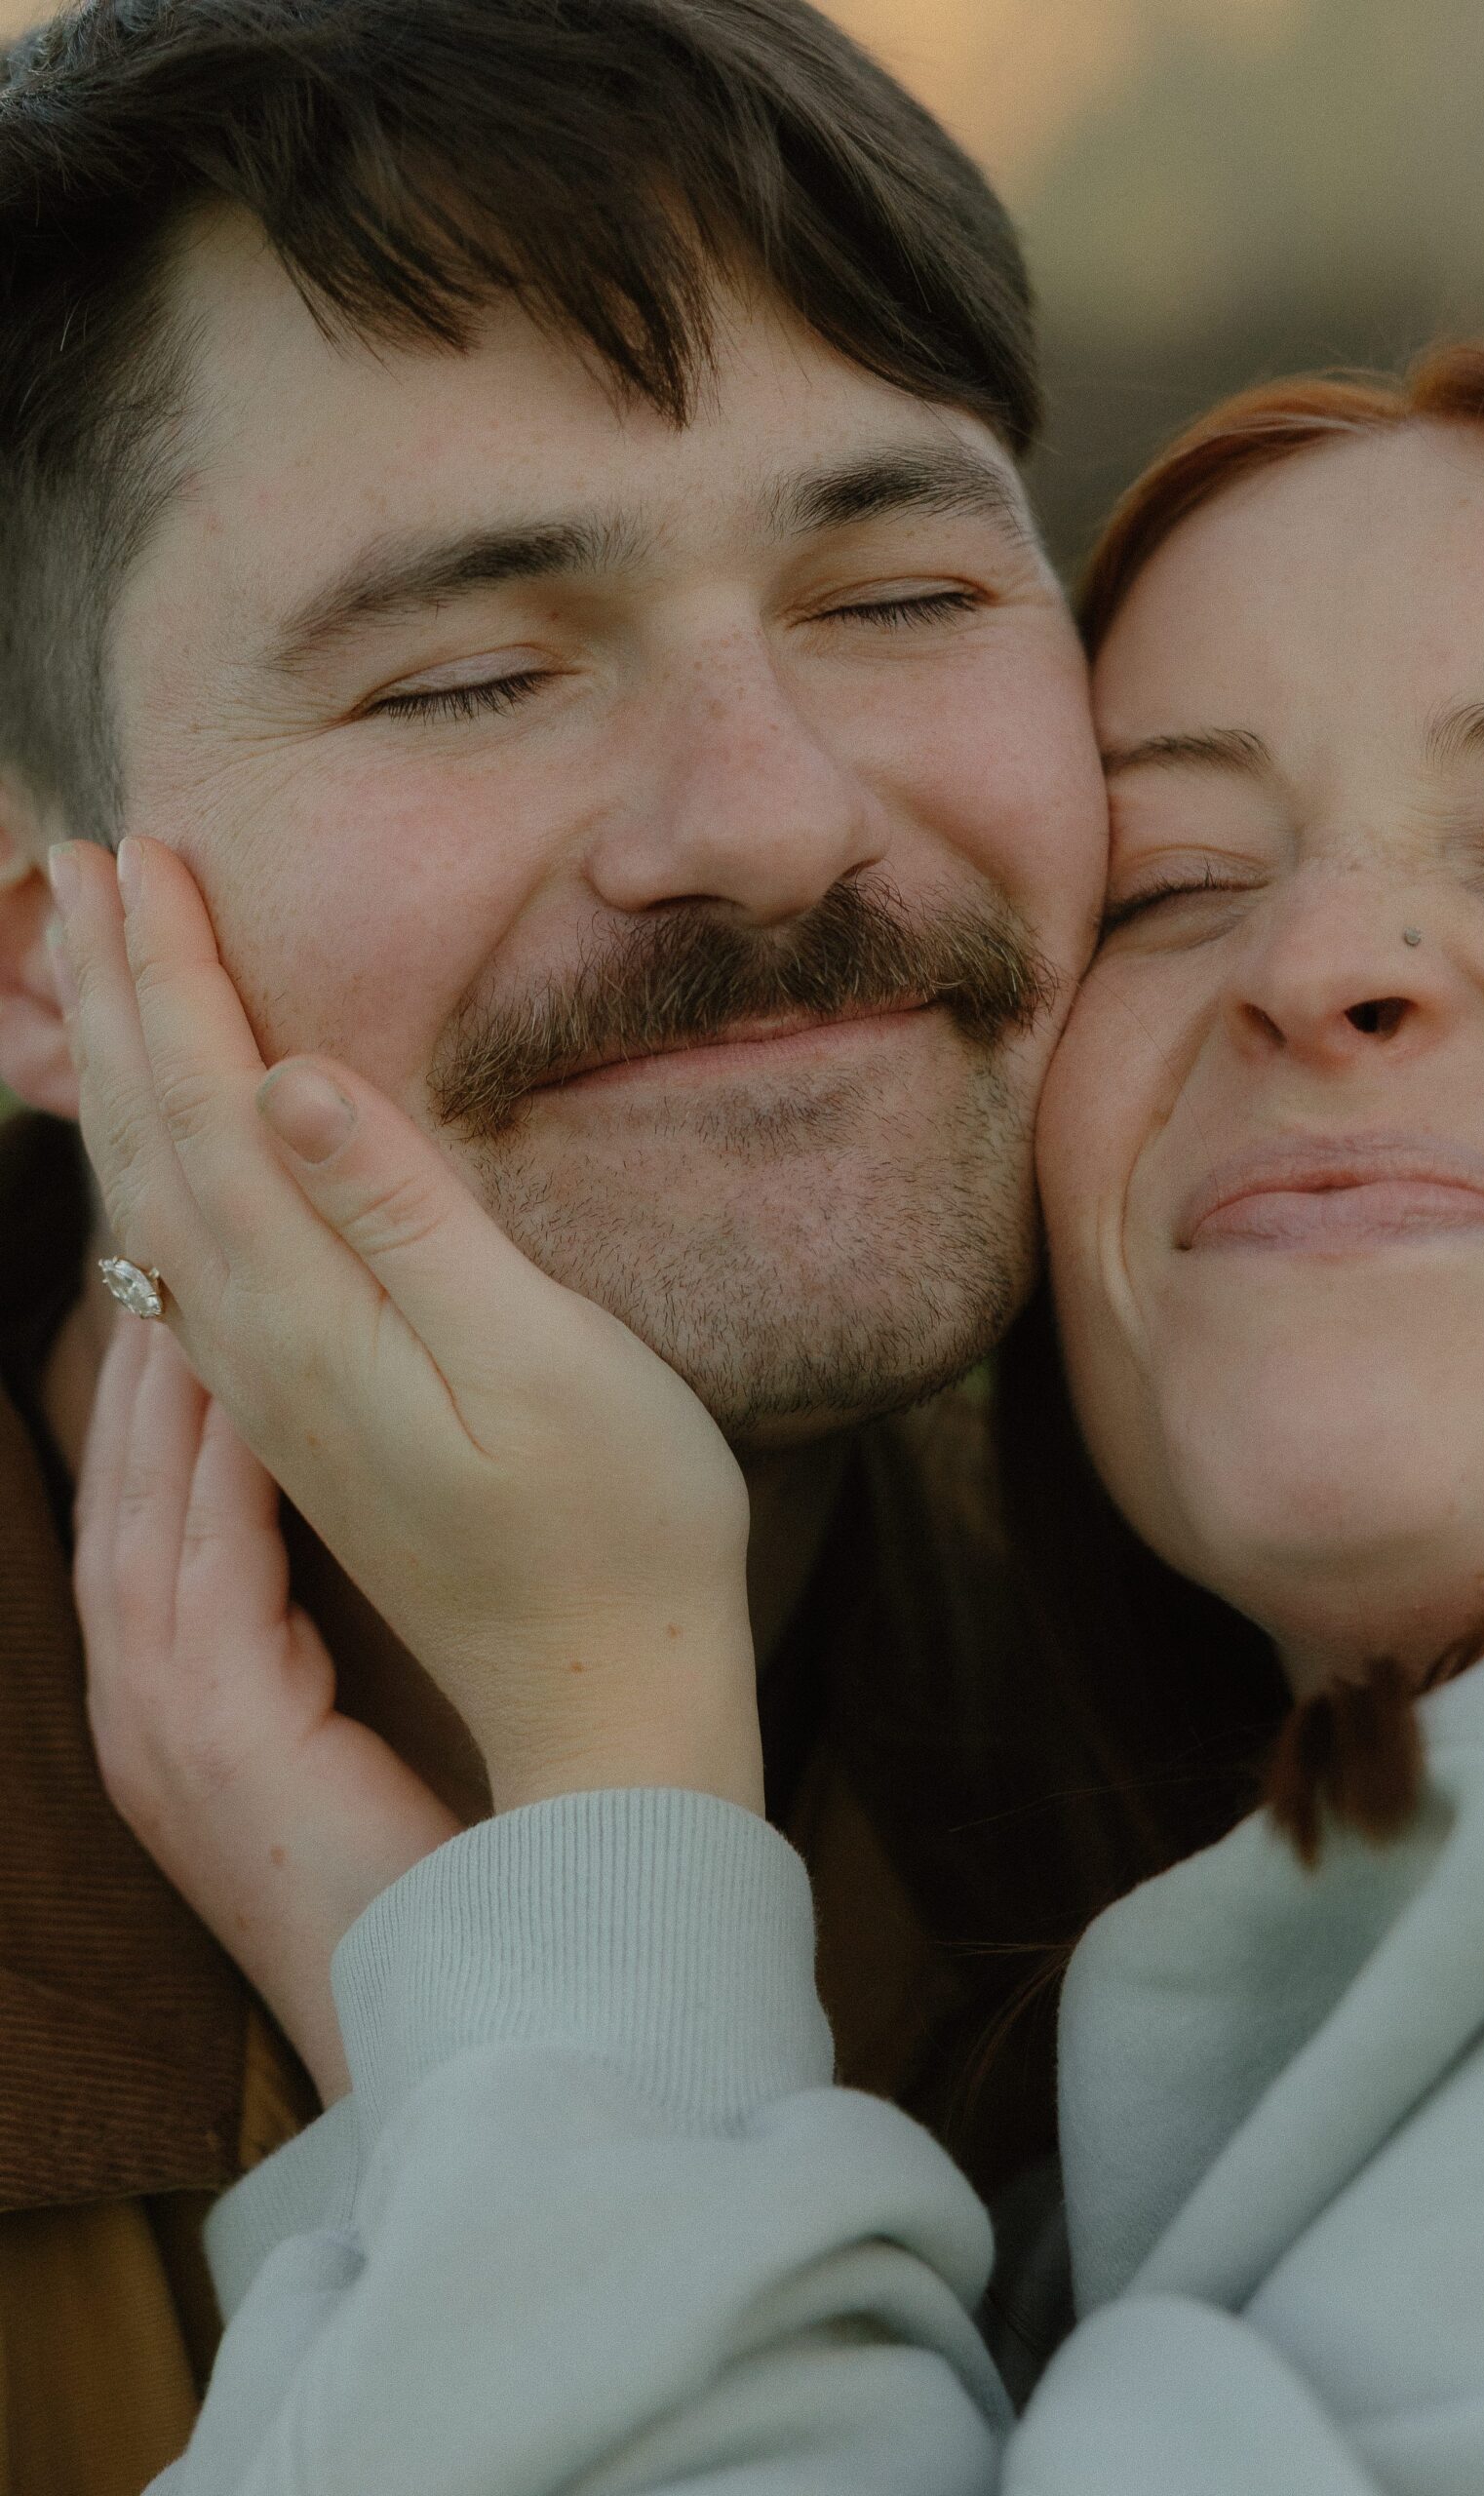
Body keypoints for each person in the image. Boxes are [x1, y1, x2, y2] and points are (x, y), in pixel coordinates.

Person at [52, 323, 1484, 2490]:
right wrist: (458, 2041)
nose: (1318, 959)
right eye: (1178, 882)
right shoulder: (1099, 2074)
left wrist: (605, 1770)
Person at [0, 1, 1169, 2482]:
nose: (768, 819)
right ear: (30, 949)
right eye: (477, 673)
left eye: (898, 592)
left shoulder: (1265, 1717)